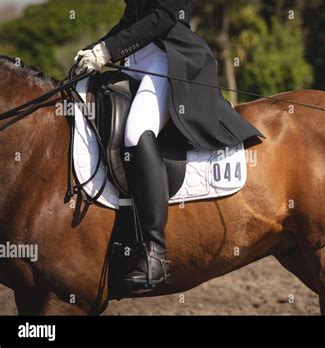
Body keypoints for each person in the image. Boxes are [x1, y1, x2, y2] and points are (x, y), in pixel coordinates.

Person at [74, 0, 263, 290]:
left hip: (168, 60)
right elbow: (131, 20)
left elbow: (162, 16)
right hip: (133, 61)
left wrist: (107, 50)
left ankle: (155, 255)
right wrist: (94, 50)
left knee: (136, 133)